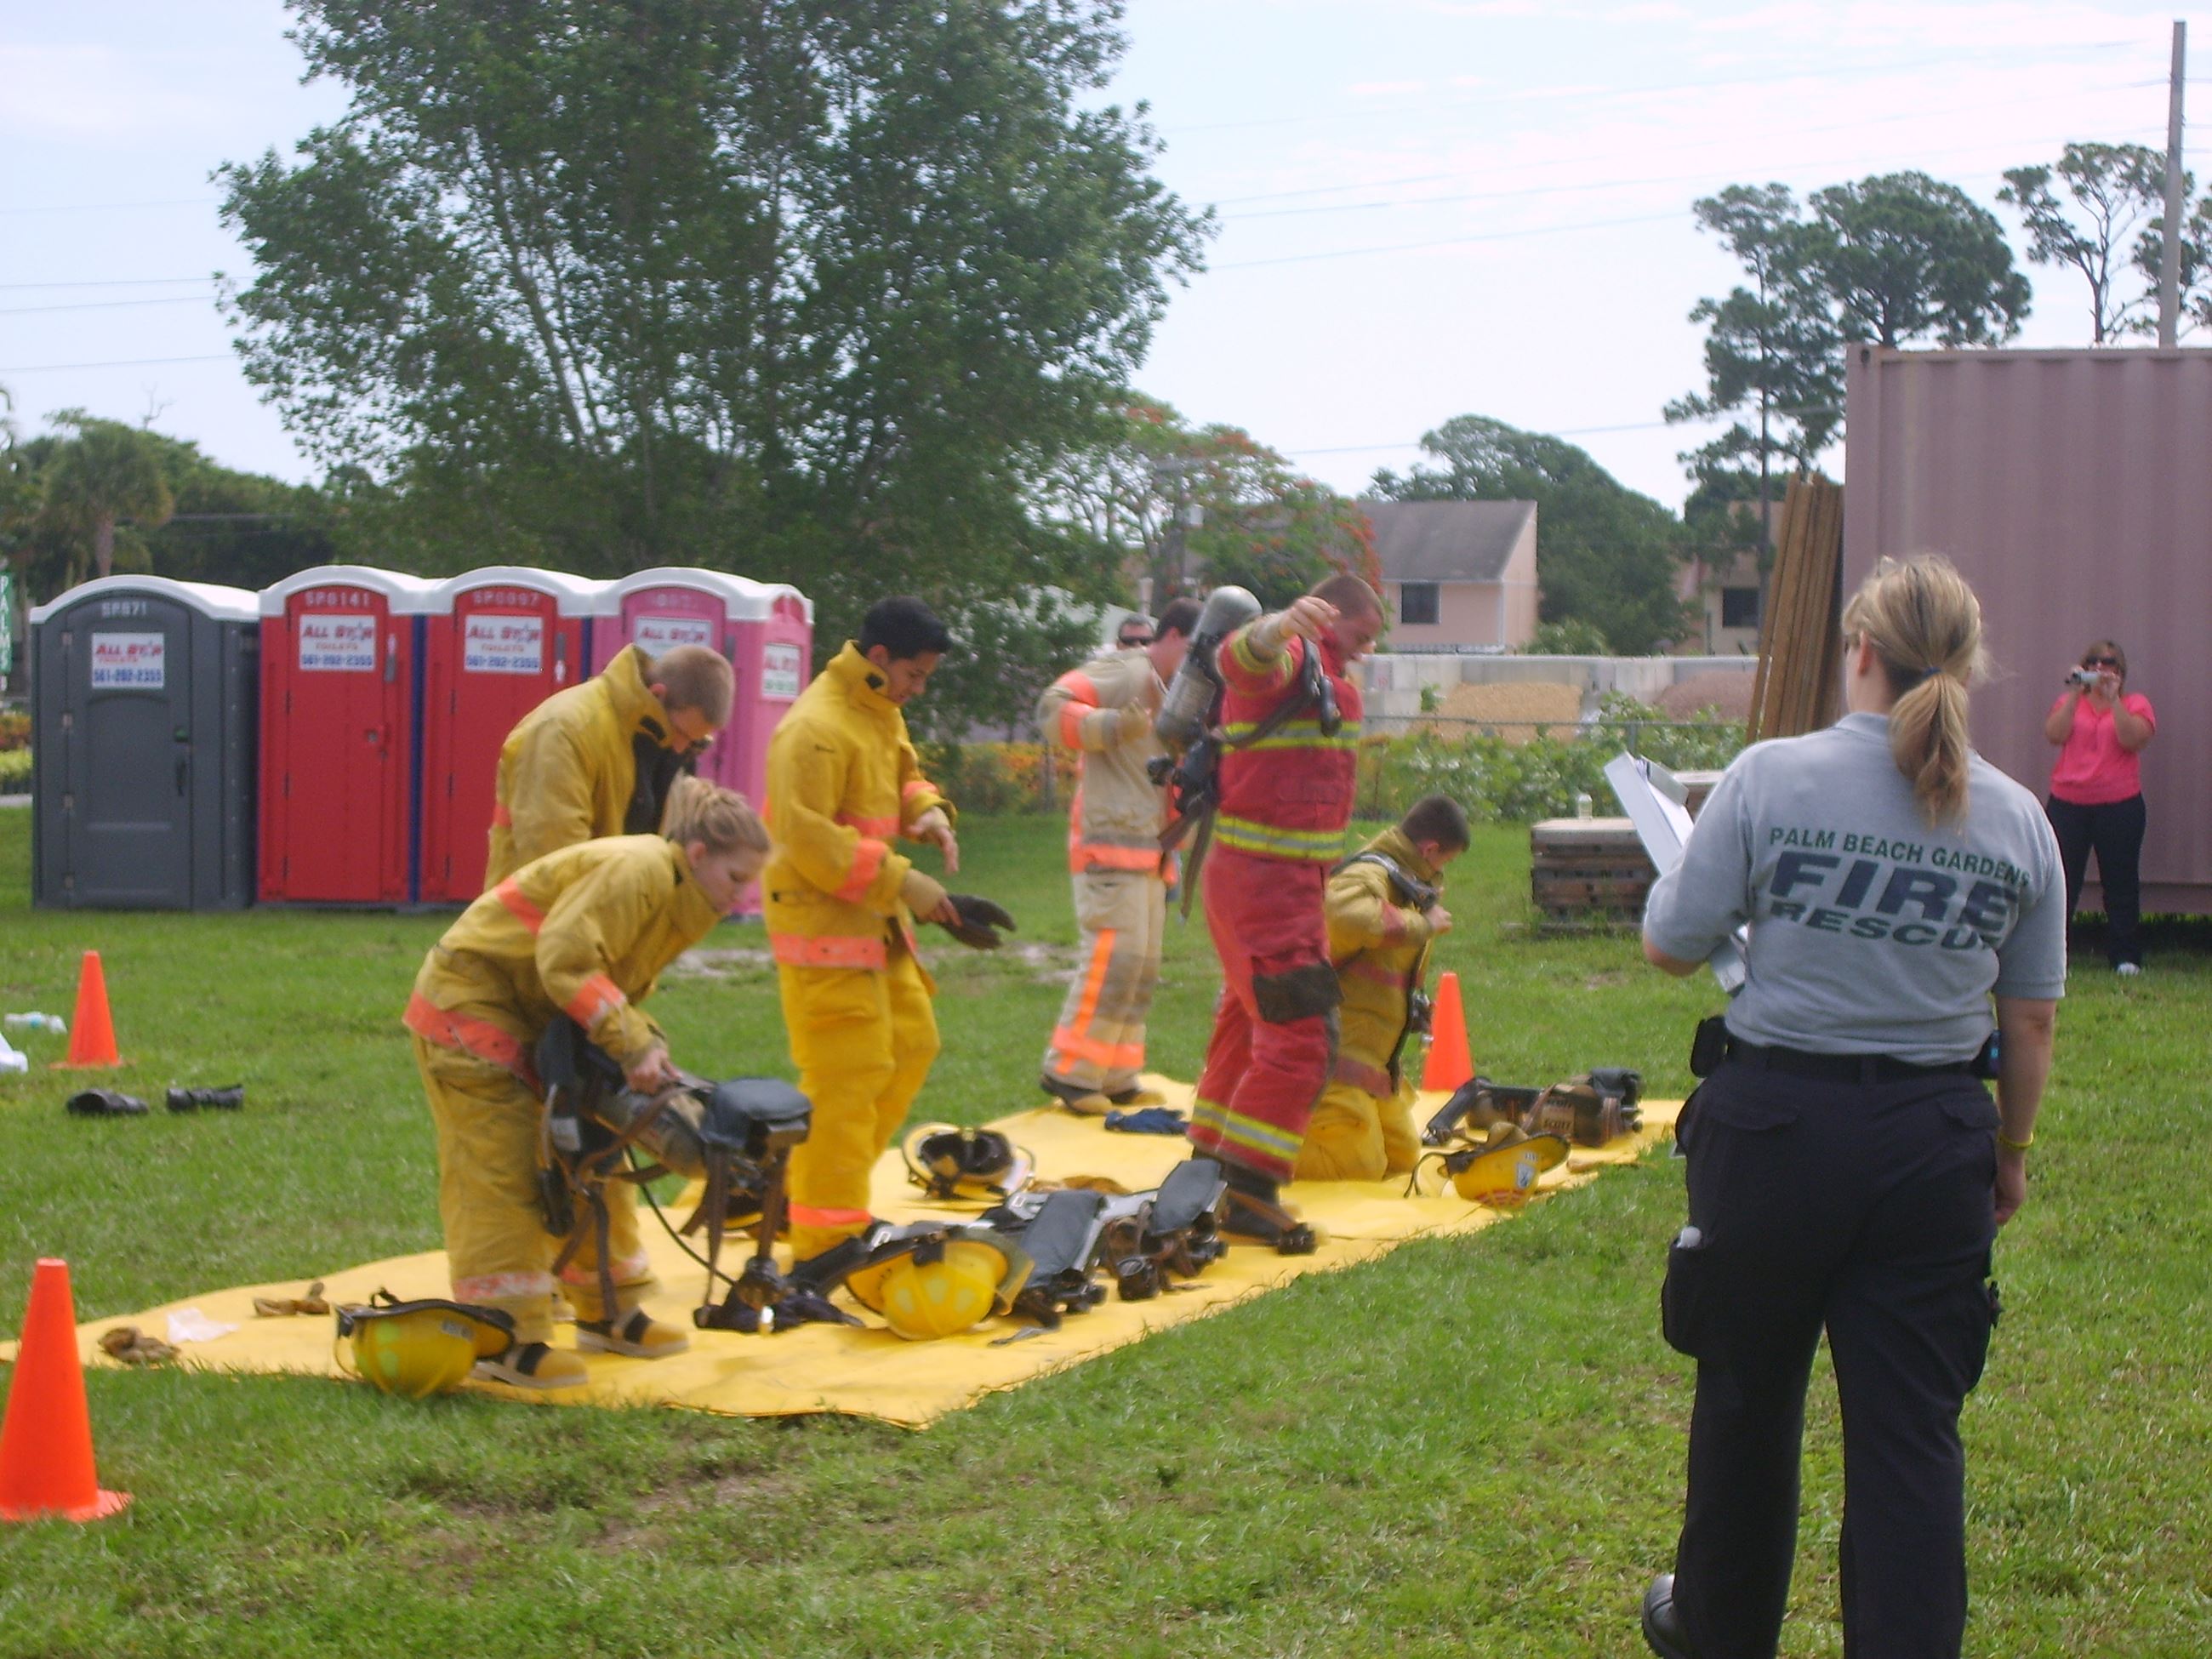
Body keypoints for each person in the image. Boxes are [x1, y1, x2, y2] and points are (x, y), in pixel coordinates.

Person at [1635, 556, 2066, 1659]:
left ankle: (1721, 1627)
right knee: (1910, 1433)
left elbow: (1672, 947)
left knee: (1745, 1396)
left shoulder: (1769, 777)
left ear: (1859, 652)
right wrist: (2009, 1152)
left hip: (1773, 1133)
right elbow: (2029, 1025)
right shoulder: (2020, 819)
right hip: (1933, 1145)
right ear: (1965, 664)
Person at [404, 777, 772, 1389]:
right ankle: (503, 1334)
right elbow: (566, 961)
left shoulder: (680, 896)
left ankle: (609, 1309)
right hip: (472, 1013)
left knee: (595, 1156)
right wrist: (629, 1045)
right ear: (699, 854)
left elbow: (608, 983)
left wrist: (642, 1044)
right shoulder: (643, 870)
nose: (740, 897)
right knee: (503, 1172)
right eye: (736, 880)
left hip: (541, 1021)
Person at [761, 596, 963, 1265]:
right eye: (916, 675)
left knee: (912, 1045)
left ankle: (806, 1190)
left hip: (874, 922)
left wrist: (927, 812)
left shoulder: (879, 711)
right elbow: (810, 841)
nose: (919, 688)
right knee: (849, 1076)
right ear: (880, 659)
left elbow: (899, 779)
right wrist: (905, 881)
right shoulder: (814, 729)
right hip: (824, 928)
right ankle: (825, 1235)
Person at [1184, 572, 1384, 1236]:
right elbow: (1243, 661)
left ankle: (1207, 1167)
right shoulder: (1298, 656)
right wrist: (1276, 626)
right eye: (1361, 636)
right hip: (1267, 888)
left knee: (1249, 1026)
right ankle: (1249, 1189)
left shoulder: (1323, 672)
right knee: (1302, 1038)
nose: (1364, 652)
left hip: (1264, 885)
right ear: (1328, 619)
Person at [1035, 596, 1200, 1114]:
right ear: (1172, 636)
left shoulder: (1178, 692)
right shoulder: (1126, 671)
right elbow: (1051, 708)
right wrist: (1110, 726)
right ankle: (1071, 1074)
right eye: (1197, 649)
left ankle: (1116, 1074)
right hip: (1109, 851)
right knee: (1112, 963)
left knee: (1140, 967)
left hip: (1149, 856)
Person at [1294, 793, 1467, 1183]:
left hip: (1372, 1064)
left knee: (1404, 1159)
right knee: (1356, 1168)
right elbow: (1341, 918)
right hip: (1333, 1059)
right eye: (1445, 860)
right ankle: (1252, 1160)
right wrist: (1422, 925)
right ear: (1430, 848)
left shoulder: (1404, 882)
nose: (1442, 871)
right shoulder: (1367, 877)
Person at [482, 641, 735, 888]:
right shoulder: (564, 731)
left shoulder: (654, 738)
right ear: (657, 694)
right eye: (680, 733)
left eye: (695, 742)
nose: (680, 748)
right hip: (535, 923)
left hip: (595, 919)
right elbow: (557, 865)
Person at [2043, 639, 2156, 975]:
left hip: (2119, 806)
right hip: (2068, 804)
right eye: (2093, 662)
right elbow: (2054, 734)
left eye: (2108, 664)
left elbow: (2132, 739)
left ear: (2120, 672)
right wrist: (2076, 694)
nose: (2100, 669)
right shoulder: (2068, 702)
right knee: (2062, 882)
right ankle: (2053, 954)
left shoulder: (2136, 704)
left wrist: (2113, 701)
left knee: (2120, 883)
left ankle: (2125, 957)